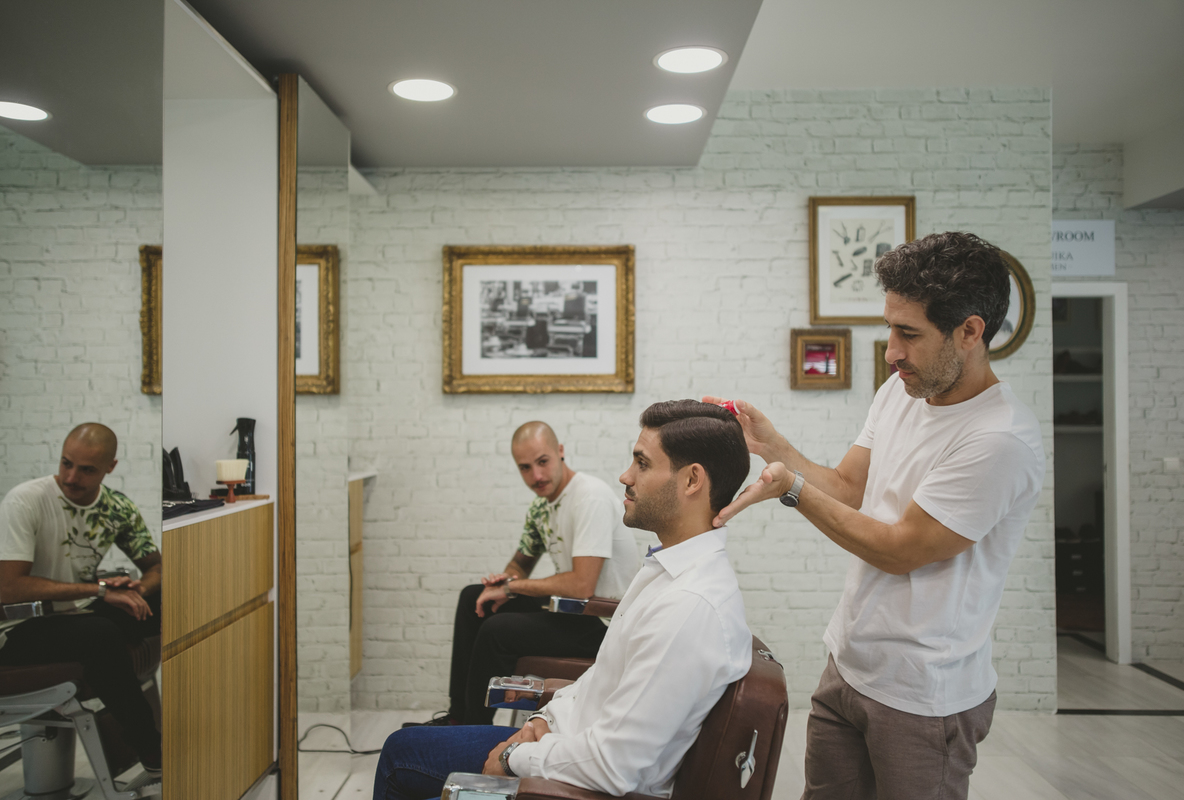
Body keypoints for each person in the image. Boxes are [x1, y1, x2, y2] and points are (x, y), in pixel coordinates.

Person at [706, 231, 1046, 800]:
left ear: (969, 331)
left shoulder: (999, 439)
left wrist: (791, 490)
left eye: (908, 333)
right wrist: (777, 449)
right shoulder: (900, 392)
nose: (891, 351)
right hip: (850, 666)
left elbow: (900, 548)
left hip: (924, 696)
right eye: (890, 328)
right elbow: (847, 487)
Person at [375, 400, 753, 800]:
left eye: (642, 463)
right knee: (400, 748)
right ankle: (462, 716)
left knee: (404, 757)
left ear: (692, 480)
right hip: (565, 740)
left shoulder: (688, 607)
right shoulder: (663, 570)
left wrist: (514, 756)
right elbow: (599, 682)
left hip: (573, 779)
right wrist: (543, 720)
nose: (625, 475)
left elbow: (614, 766)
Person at [407, 421, 640, 727]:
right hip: (574, 612)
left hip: (605, 622)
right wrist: (503, 584)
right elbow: (519, 565)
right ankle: (458, 717)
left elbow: (582, 585)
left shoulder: (589, 497)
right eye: (525, 468)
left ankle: (472, 731)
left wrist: (514, 588)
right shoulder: (541, 508)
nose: (537, 476)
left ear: (560, 452)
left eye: (542, 462)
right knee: (473, 599)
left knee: (497, 631)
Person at [0, 423, 163, 774]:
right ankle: (151, 748)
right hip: (16, 627)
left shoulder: (116, 508)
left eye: (87, 469)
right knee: (100, 633)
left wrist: (139, 591)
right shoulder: (26, 500)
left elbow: (158, 567)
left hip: (75, 614)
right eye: (65, 463)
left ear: (110, 468)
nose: (71, 477)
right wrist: (102, 591)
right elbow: (8, 588)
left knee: (166, 600)